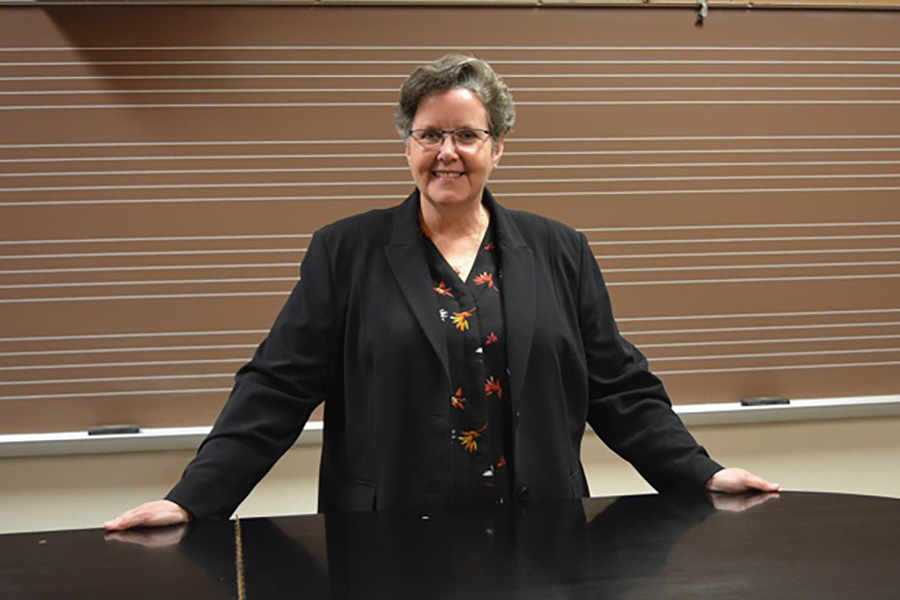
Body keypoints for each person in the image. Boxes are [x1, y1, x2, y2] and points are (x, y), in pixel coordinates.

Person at [105, 55, 778, 531]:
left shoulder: (558, 249)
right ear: (407, 146)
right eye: (429, 134)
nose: (447, 152)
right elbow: (276, 389)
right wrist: (192, 500)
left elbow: (618, 385)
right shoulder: (346, 251)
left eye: (466, 134)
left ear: (498, 147)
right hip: (385, 542)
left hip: (541, 534)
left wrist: (703, 474)